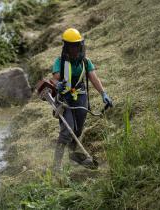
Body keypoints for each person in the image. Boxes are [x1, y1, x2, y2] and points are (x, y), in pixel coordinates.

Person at [51, 28, 113, 169]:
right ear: (66, 46)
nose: (74, 48)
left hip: (80, 96)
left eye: (76, 45)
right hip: (64, 98)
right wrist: (58, 85)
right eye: (71, 45)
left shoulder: (85, 61)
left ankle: (72, 155)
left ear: (81, 44)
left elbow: (93, 77)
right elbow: (54, 79)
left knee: (78, 130)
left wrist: (103, 93)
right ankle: (56, 165)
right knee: (68, 130)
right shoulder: (60, 61)